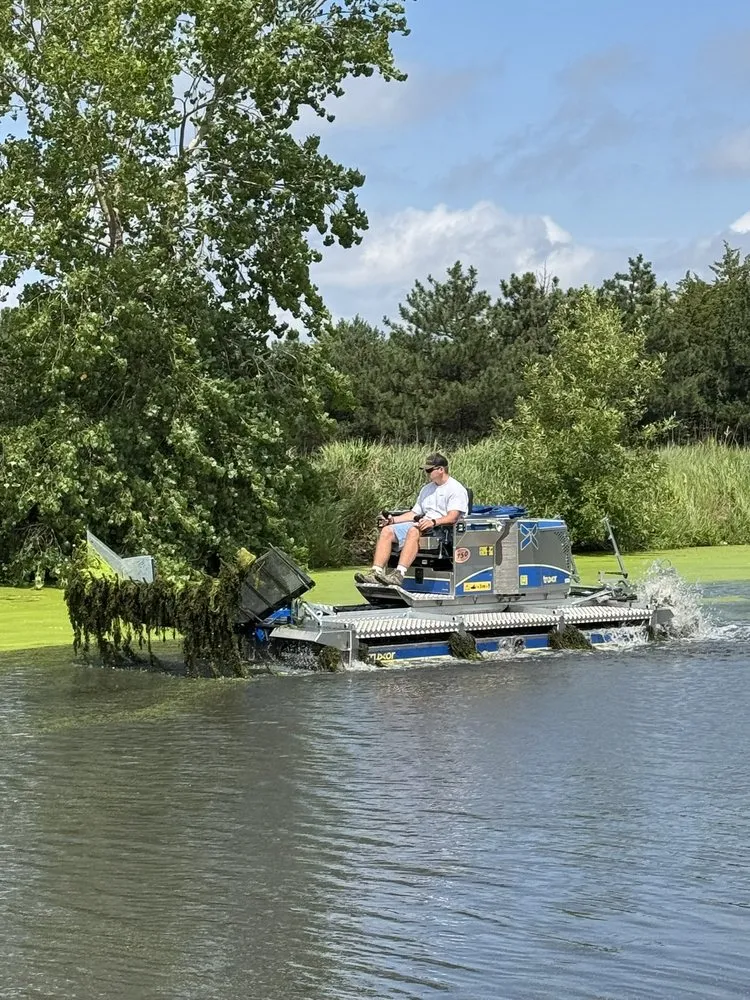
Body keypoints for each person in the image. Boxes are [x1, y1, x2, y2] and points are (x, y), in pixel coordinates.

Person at [355, 452, 469, 587]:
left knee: (413, 531)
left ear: (441, 469)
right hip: (423, 524)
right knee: (387, 531)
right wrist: (392, 520)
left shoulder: (456, 489)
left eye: (429, 470)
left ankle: (399, 574)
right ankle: (375, 573)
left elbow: (453, 517)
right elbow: (414, 513)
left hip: (443, 529)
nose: (426, 473)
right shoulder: (426, 489)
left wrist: (433, 522)